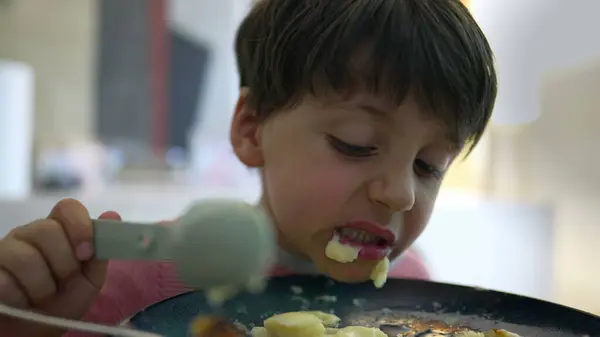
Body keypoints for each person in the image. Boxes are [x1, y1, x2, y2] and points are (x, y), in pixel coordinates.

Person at [0, 0, 497, 336]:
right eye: (356, 144)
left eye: (429, 166)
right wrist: (24, 322)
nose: (401, 194)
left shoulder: (415, 291)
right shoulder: (128, 282)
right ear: (252, 129)